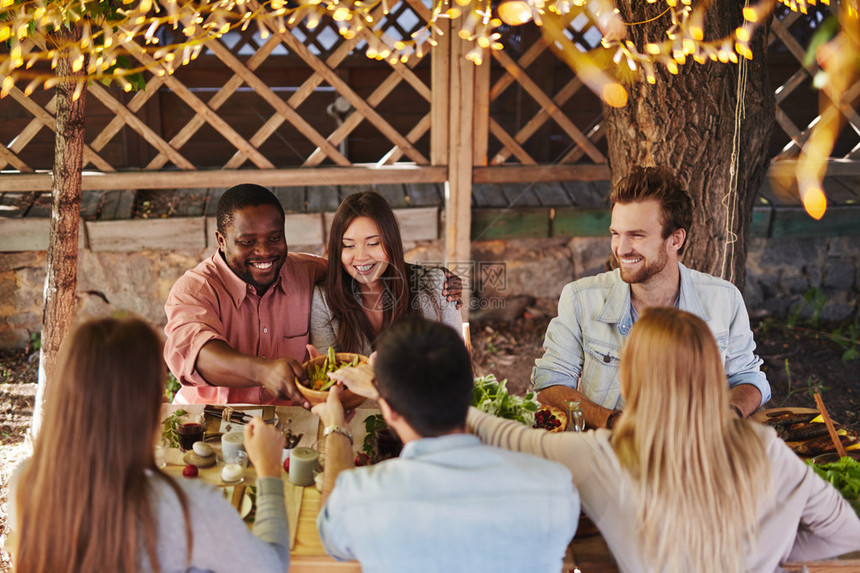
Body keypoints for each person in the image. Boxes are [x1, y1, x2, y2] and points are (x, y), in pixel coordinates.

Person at [471, 307, 860, 573]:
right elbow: (847, 533)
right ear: (713, 376)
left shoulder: (600, 457)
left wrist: (443, 404)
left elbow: (506, 435)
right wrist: (770, 553)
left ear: (630, 379)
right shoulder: (766, 449)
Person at [7, 315, 290, 573]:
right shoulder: (187, 507)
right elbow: (272, 566)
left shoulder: (26, 482)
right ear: (148, 407)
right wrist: (268, 470)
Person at [312, 318, 578, 573]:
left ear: (389, 411)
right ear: (470, 387)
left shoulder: (363, 498)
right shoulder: (554, 488)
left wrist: (336, 427)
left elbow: (330, 530)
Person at [165, 184, 461, 405]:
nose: (264, 251)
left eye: (274, 238)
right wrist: (262, 371)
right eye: (247, 242)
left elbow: (362, 266)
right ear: (221, 239)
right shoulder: (195, 290)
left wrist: (433, 279)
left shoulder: (304, 271)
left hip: (291, 419)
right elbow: (196, 353)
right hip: (213, 416)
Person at [533, 165, 771, 428]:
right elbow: (550, 382)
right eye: (616, 234)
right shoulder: (580, 298)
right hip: (609, 452)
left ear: (676, 239)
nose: (621, 249)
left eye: (636, 235)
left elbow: (749, 378)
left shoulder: (724, 299)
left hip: (695, 454)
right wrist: (615, 423)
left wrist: (728, 416)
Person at [310, 191, 462, 355]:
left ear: (391, 242)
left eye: (373, 243)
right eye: (348, 245)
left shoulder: (439, 285)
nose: (361, 257)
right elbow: (328, 372)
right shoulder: (324, 300)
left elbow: (457, 365)